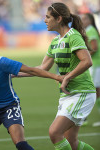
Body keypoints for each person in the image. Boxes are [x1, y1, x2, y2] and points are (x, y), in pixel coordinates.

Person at [0, 30, 64, 150]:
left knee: (20, 143)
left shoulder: (0, 62)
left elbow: (30, 70)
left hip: (9, 106)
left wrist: (57, 77)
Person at [15, 2, 96, 150]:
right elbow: (42, 68)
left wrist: (67, 77)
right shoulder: (55, 41)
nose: (44, 20)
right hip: (68, 94)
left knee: (54, 132)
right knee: (72, 142)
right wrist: (15, 74)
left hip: (81, 92)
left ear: (58, 19)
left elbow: (87, 61)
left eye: (47, 17)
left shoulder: (73, 36)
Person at [81, 13, 100, 127]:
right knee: (95, 91)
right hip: (95, 65)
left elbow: (94, 48)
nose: (82, 21)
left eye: (85, 18)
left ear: (90, 20)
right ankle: (84, 117)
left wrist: (83, 57)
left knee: (94, 91)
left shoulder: (90, 30)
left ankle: (84, 117)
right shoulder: (90, 30)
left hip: (96, 65)